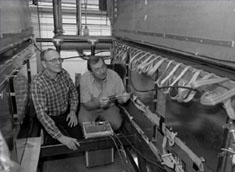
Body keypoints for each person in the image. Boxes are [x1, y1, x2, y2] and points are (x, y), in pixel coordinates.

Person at [31, 48, 81, 150]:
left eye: (59, 59)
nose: (58, 63)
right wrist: (61, 137)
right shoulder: (37, 83)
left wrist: (72, 111)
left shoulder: (64, 73)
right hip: (50, 117)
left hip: (65, 113)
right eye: (54, 60)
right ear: (44, 64)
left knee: (79, 140)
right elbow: (42, 114)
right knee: (57, 148)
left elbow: (73, 92)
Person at [79, 56, 130, 130]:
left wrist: (123, 99)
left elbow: (120, 98)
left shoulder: (114, 75)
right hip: (90, 108)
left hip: (109, 107)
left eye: (103, 66)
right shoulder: (85, 79)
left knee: (116, 124)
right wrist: (98, 103)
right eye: (97, 69)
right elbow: (87, 105)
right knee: (85, 125)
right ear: (91, 72)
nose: (102, 71)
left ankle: (106, 135)